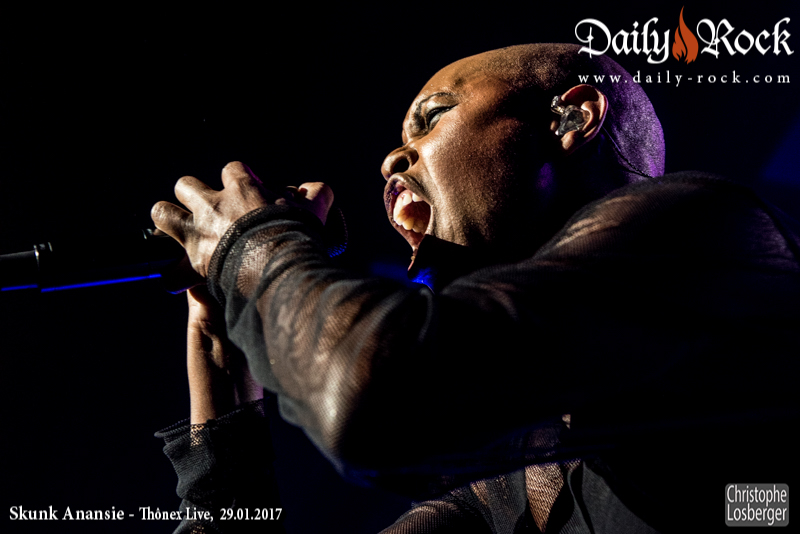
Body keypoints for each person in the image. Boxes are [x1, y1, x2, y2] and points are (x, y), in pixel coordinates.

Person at [152, 44, 800, 533]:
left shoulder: (705, 230)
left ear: (571, 118)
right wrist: (220, 345)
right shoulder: (509, 477)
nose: (391, 160)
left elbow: (374, 401)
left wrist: (254, 245)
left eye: (431, 118)